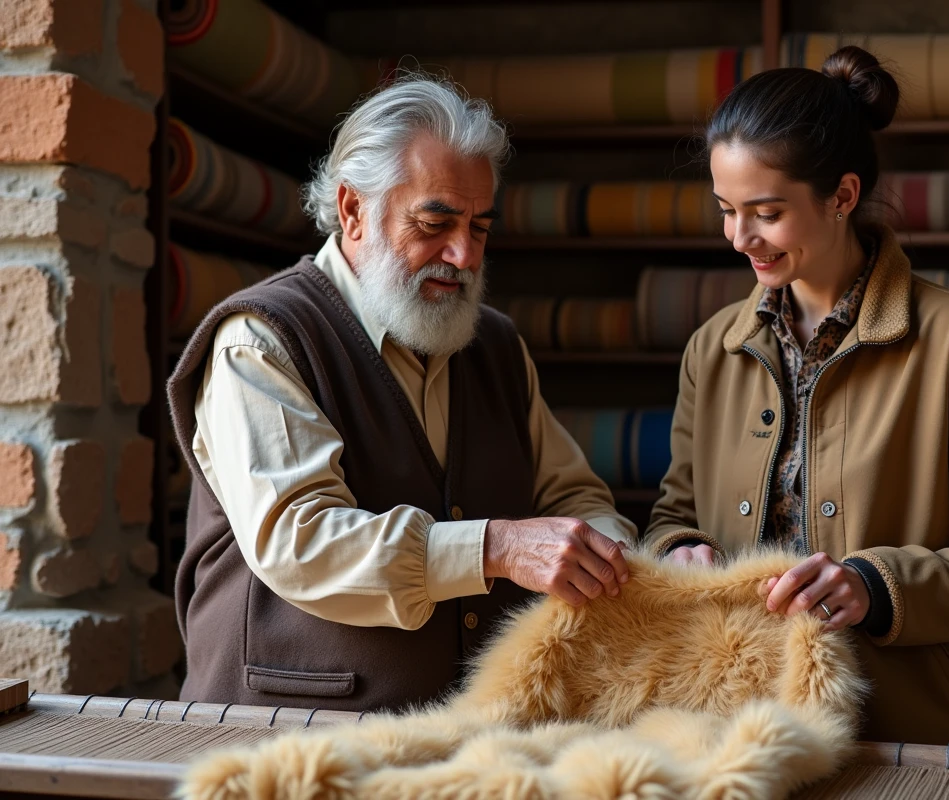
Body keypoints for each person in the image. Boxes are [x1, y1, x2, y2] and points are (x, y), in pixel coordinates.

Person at [167, 78, 635, 710]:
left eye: (479, 226)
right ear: (354, 210)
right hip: (282, 740)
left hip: (464, 744)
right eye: (435, 222)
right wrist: (495, 548)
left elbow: (572, 496)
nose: (464, 253)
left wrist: (623, 567)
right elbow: (301, 540)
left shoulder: (496, 347)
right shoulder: (260, 341)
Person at [643, 47, 949, 746]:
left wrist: (873, 586)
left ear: (840, 196)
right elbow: (672, 514)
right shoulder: (711, 349)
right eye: (725, 210)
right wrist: (680, 547)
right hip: (731, 732)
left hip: (904, 734)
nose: (739, 237)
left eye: (766, 212)